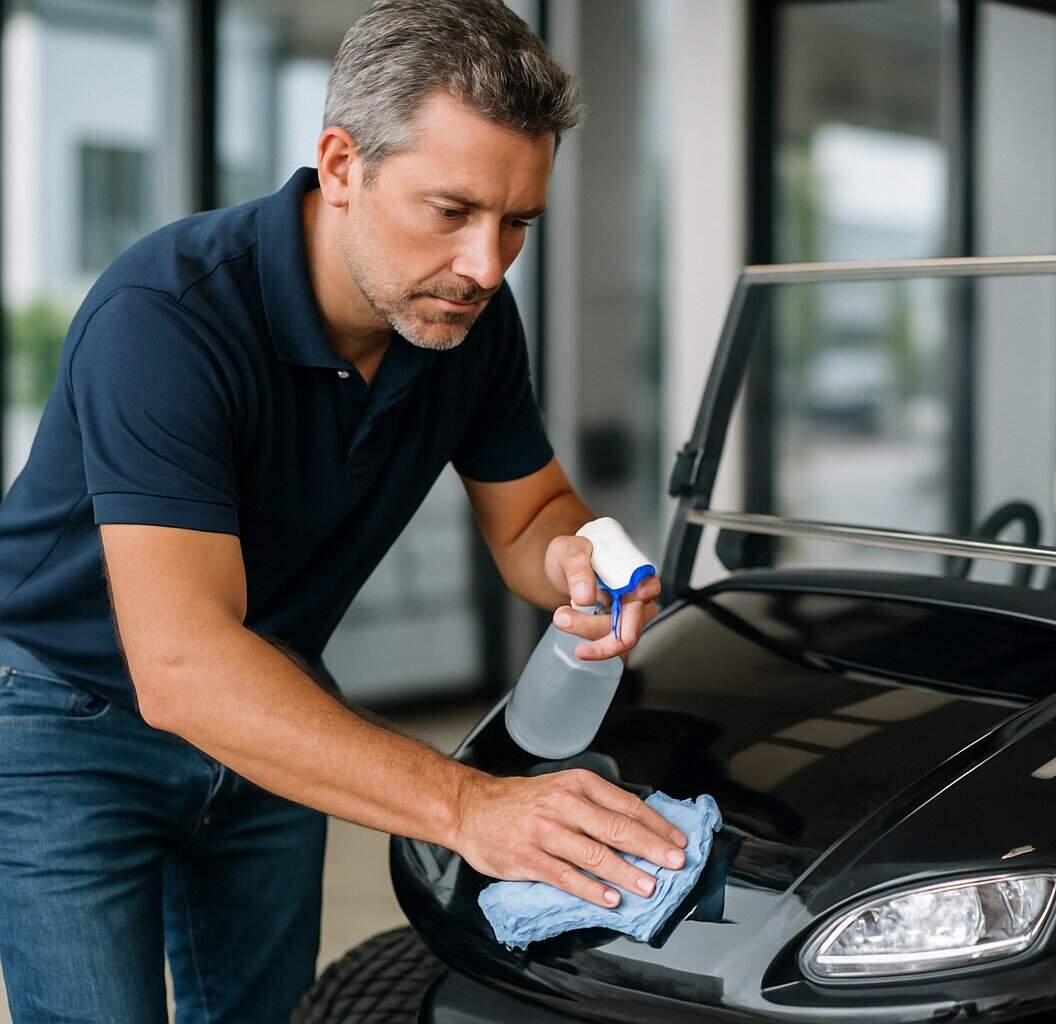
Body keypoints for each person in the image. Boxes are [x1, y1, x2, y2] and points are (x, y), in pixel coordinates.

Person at [0, 2, 684, 1021]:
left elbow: (531, 513)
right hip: (69, 717)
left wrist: (579, 559)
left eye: (517, 223)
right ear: (341, 164)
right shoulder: (166, 317)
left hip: (275, 687)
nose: (486, 265)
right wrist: (468, 807)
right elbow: (181, 666)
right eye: (451, 210)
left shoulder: (466, 318)